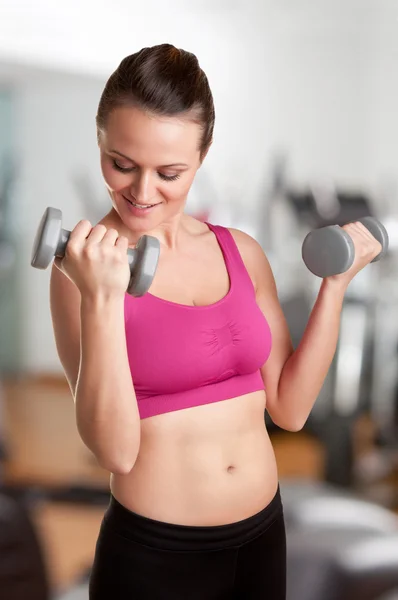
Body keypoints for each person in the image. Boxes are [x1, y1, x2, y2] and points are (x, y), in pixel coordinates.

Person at [49, 44, 382, 600]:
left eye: (169, 172)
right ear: (101, 141)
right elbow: (115, 452)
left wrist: (336, 286)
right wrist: (102, 298)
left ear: (202, 156)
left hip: (261, 535)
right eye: (121, 164)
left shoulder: (242, 253)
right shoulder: (80, 269)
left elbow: (291, 408)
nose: (141, 191)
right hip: (155, 555)